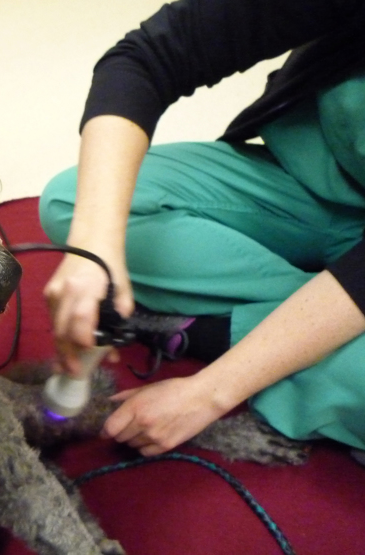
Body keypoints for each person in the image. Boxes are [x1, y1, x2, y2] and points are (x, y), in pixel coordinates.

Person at [39, 0, 365, 457]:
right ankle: (301, 336)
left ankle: (213, 333)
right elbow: (149, 56)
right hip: (303, 184)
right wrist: (96, 249)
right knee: (74, 201)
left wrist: (211, 391)